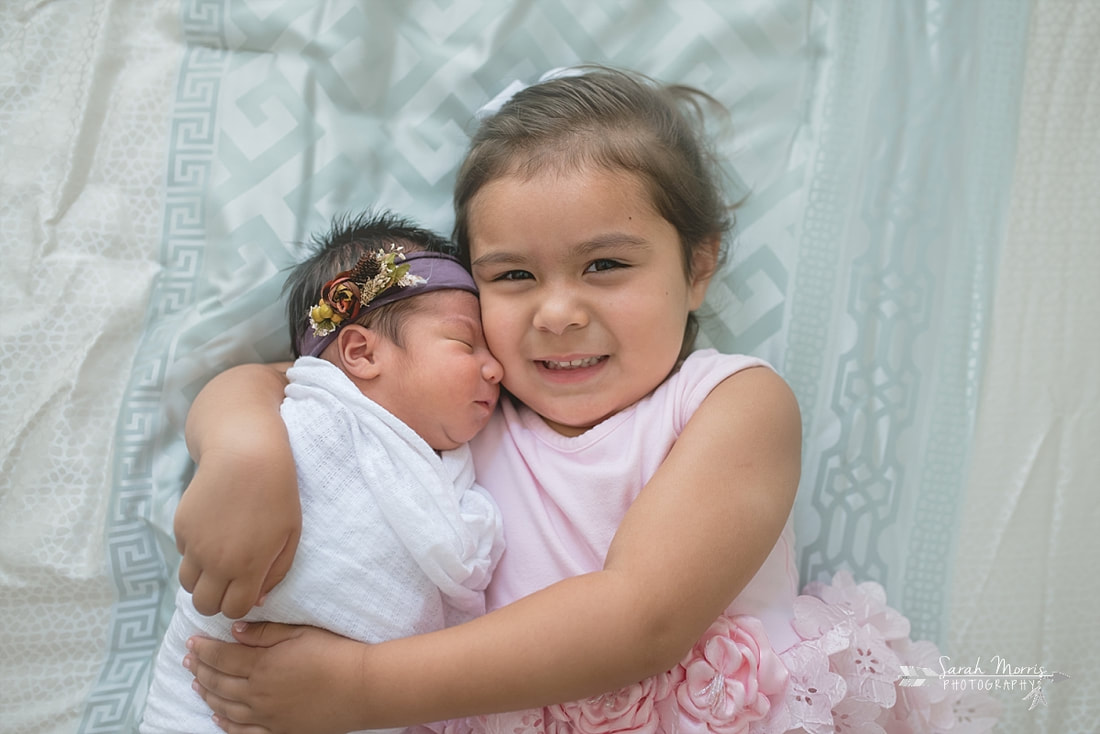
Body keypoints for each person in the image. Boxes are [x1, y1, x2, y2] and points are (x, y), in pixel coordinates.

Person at [174, 67, 998, 734]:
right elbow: (289, 384)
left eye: (605, 266)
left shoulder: (730, 403)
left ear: (699, 266)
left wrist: (360, 688)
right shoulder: (467, 403)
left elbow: (640, 615)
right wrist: (247, 451)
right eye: (513, 276)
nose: (558, 312)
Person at [141, 211, 505, 734]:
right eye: (466, 344)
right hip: (216, 693)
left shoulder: (449, 465)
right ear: (360, 352)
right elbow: (241, 394)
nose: (495, 368)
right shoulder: (314, 417)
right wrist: (243, 456)